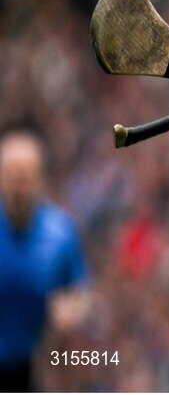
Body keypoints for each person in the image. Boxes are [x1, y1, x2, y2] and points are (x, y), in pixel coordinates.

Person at [0, 131, 89, 392]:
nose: (19, 188)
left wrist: (70, 311)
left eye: (26, 178)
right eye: (13, 178)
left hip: (38, 362)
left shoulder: (60, 233)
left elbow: (79, 289)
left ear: (40, 178)